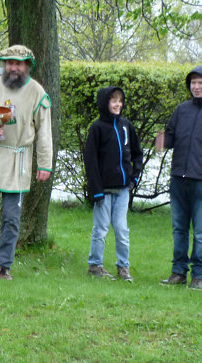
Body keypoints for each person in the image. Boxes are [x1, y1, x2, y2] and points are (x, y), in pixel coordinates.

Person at [0, 45, 53, 280]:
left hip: (18, 160)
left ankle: (4, 266)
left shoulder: (37, 92)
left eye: (19, 63)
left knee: (11, 219)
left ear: (27, 66)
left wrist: (45, 164)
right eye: (10, 63)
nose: (14, 67)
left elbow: (44, 132)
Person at [84, 86, 143, 282]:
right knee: (100, 228)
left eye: (120, 100)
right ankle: (95, 264)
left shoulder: (126, 125)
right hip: (104, 191)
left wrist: (134, 177)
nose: (118, 104)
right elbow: (91, 161)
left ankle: (123, 267)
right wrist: (96, 190)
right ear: (105, 103)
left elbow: (137, 152)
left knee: (121, 228)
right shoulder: (97, 128)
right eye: (113, 100)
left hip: (123, 189)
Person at [157, 65, 202, 290]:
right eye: (193, 82)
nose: (196, 86)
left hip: (200, 182)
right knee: (179, 229)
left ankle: (199, 276)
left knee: (201, 232)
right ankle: (178, 272)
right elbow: (168, 140)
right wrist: (159, 139)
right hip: (178, 179)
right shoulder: (181, 110)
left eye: (200, 82)